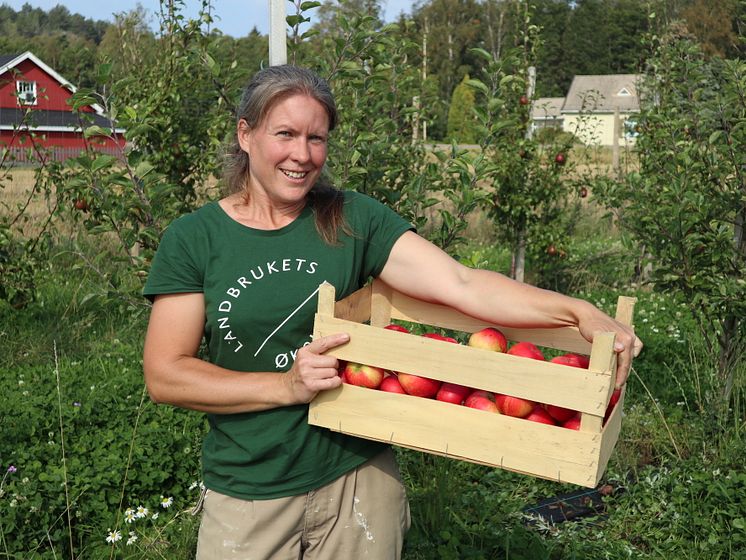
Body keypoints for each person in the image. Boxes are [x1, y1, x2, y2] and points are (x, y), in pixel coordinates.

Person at [142, 65, 642, 560]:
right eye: (285, 134)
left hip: (358, 476)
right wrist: (283, 386)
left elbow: (462, 284)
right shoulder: (195, 239)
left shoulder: (352, 218)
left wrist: (577, 312)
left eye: (316, 138)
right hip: (251, 485)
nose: (302, 154)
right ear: (245, 135)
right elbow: (167, 375)